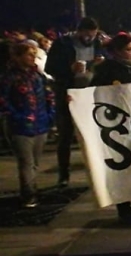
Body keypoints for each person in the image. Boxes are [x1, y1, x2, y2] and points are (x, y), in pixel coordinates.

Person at [92, 33, 131, 224]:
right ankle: (124, 206)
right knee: (122, 165)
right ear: (118, 52)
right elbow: (92, 92)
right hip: (116, 126)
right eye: (129, 49)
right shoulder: (106, 70)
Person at [45, 17, 104, 187]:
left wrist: (98, 64)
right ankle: (64, 174)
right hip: (67, 93)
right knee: (65, 135)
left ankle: (97, 171)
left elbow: (101, 60)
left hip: (90, 94)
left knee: (94, 133)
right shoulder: (62, 44)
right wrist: (69, 68)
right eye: (86, 36)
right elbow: (50, 68)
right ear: (78, 32)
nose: (89, 39)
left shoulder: (97, 44)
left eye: (92, 36)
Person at [0, 42, 55, 207]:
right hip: (21, 127)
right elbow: (3, 100)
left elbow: (49, 95)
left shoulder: (37, 76)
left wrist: (49, 114)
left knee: (35, 162)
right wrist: (18, 116)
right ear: (18, 56)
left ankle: (32, 189)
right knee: (26, 162)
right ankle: (29, 194)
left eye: (34, 54)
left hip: (41, 124)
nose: (33, 57)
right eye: (29, 54)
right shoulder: (9, 77)